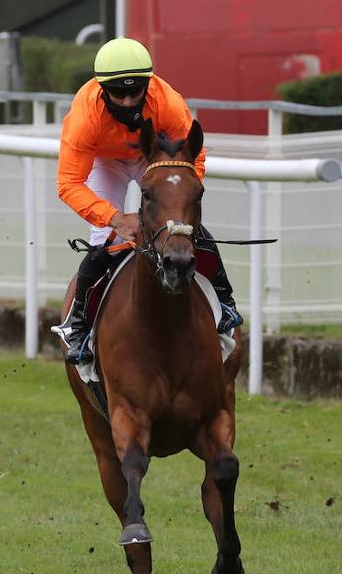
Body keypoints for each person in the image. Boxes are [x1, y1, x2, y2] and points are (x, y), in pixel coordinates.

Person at [52, 37, 242, 365]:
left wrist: (176, 202)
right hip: (103, 161)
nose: (127, 102)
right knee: (104, 242)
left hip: (154, 157)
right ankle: (79, 326)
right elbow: (69, 183)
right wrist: (114, 218)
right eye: (118, 93)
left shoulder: (167, 101)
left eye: (135, 92)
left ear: (148, 84)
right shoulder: (85, 117)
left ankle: (224, 303)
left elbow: (192, 160)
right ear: (101, 88)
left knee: (184, 230)